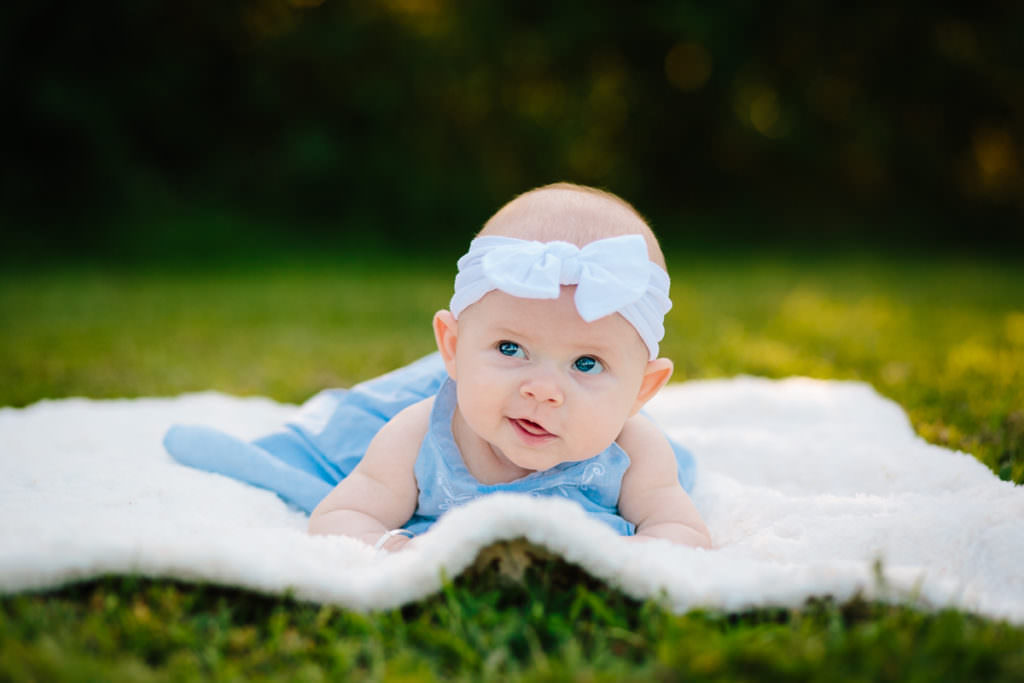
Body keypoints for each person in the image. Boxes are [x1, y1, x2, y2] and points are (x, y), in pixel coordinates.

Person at [164, 183, 711, 552]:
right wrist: (388, 550)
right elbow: (340, 516)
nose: (542, 390)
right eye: (510, 349)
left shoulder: (634, 453)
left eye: (586, 363)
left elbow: (678, 530)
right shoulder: (417, 436)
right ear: (451, 346)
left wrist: (639, 559)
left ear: (642, 391)